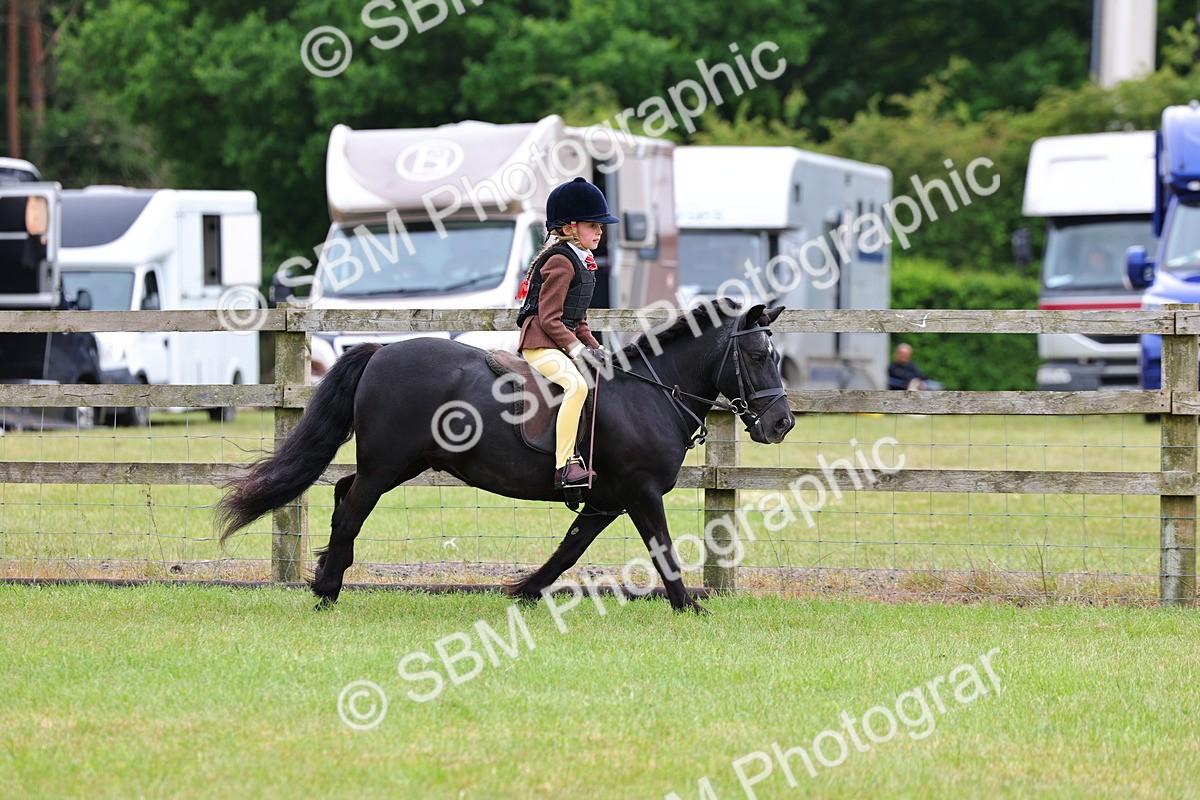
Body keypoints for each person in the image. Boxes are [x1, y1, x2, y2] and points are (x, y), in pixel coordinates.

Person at [515, 177, 618, 490]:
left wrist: (597, 348)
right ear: (571, 227)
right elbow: (549, 319)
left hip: (560, 343)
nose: (601, 232)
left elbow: (579, 320)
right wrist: (576, 350)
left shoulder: (581, 261)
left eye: (601, 227)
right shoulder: (561, 262)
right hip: (540, 345)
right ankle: (564, 466)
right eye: (594, 226)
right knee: (575, 386)